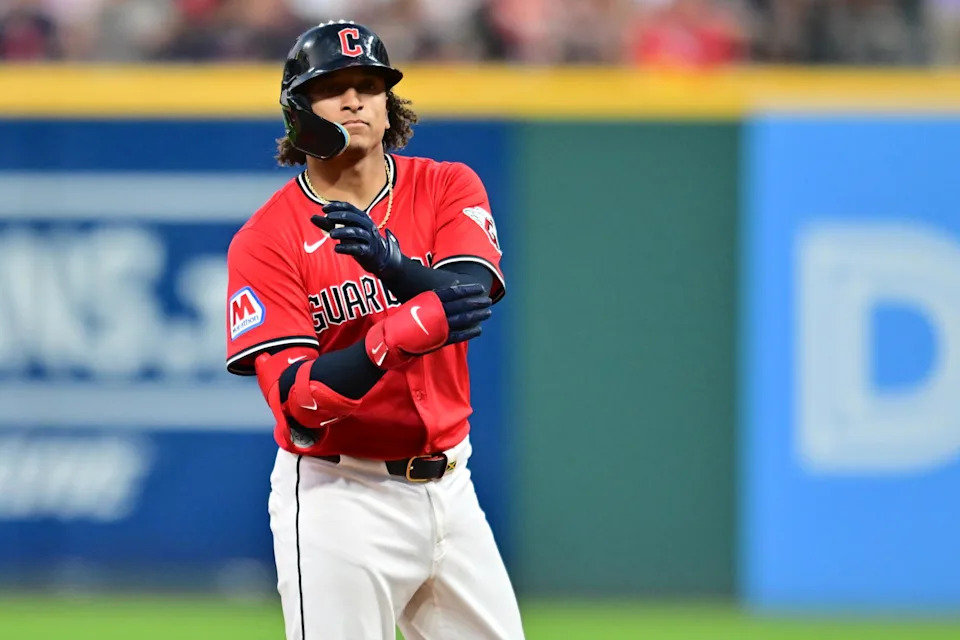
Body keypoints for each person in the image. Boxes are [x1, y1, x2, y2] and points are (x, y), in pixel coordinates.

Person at [224, 20, 524, 640]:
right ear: (298, 112)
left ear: (391, 106)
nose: (355, 99)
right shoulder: (268, 239)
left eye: (370, 84)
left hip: (450, 489)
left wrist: (390, 264)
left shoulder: (446, 185)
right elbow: (296, 403)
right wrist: (392, 336)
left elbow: (467, 298)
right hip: (341, 495)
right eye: (333, 86)